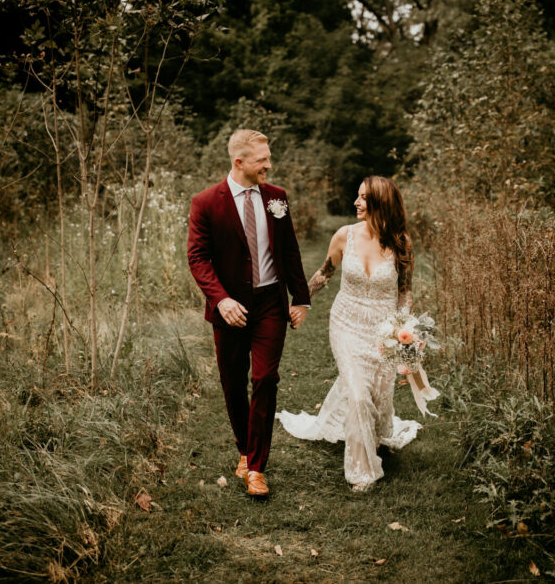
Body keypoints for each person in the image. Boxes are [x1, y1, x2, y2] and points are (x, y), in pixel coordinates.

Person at [276, 175, 437, 491]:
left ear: (380, 203)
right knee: (360, 393)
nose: (356, 203)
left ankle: (373, 435)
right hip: (346, 323)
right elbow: (325, 273)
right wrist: (299, 302)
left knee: (377, 392)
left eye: (363, 198)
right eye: (358, 196)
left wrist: (403, 330)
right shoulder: (343, 236)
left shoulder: (401, 243)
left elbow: (405, 290)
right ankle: (361, 472)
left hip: (382, 330)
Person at [187, 129, 311, 498]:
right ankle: (245, 449)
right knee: (232, 382)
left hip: (270, 302)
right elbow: (197, 258)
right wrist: (221, 299)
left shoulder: (277, 198)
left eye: (268, 158)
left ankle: (256, 466)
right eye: (262, 160)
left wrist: (300, 297)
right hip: (230, 308)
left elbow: (288, 249)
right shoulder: (206, 202)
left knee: (265, 378)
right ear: (239, 162)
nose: (269, 165)